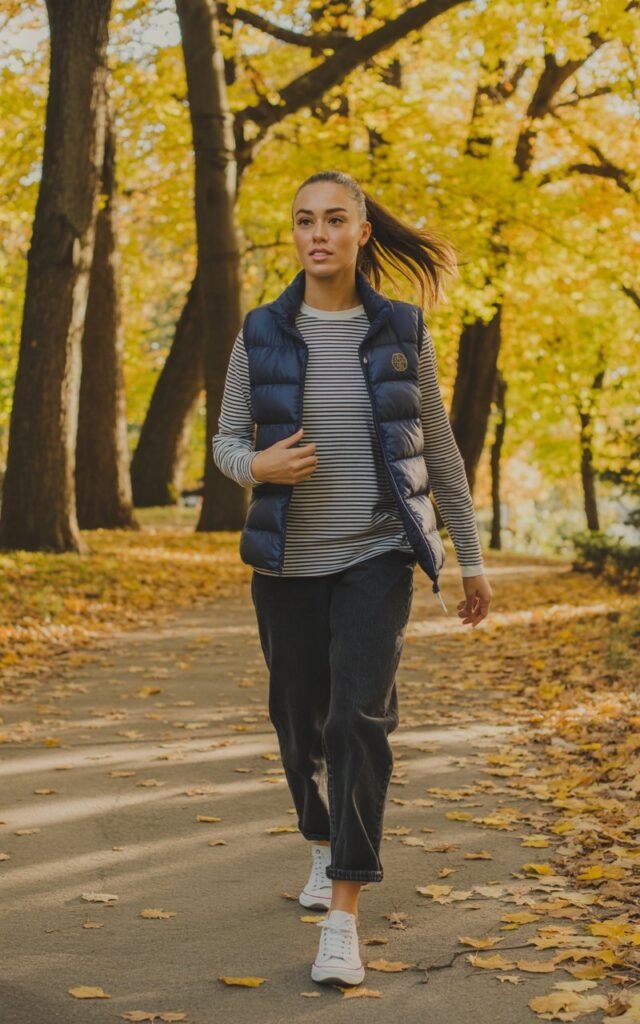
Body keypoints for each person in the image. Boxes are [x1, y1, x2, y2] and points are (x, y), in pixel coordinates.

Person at [212, 169, 493, 987]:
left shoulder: (401, 329)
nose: (318, 234)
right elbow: (227, 439)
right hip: (288, 564)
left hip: (377, 556)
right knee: (299, 729)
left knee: (356, 723)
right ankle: (322, 839)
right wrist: (254, 463)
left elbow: (436, 450)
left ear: (362, 232)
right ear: (295, 234)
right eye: (305, 221)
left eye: (335, 220)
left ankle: (344, 913)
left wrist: (466, 558)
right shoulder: (260, 329)